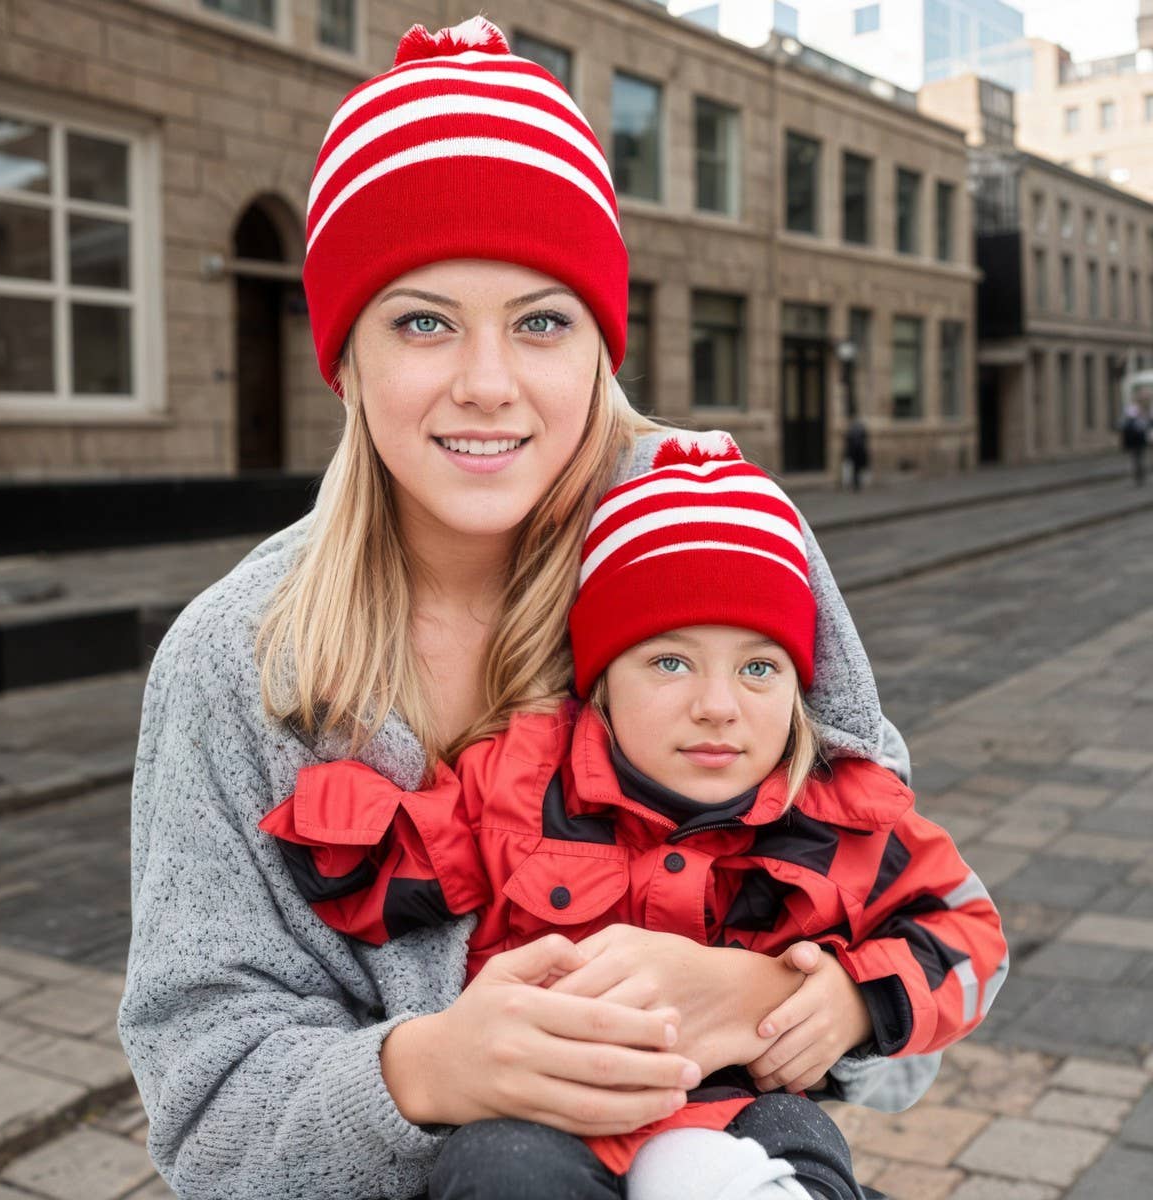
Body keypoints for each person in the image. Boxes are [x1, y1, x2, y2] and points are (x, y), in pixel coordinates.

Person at [118, 18, 960, 1199]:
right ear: (346, 353)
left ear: (602, 347)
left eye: (542, 320)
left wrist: (771, 999)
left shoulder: (720, 536)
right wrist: (423, 1073)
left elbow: (914, 934)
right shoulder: (237, 660)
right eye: (423, 320)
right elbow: (206, 1112)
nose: (487, 383)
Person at [260, 434, 1009, 1200]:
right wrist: (338, 820)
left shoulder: (840, 812)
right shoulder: (522, 777)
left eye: (759, 668)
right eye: (670, 663)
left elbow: (970, 938)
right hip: (552, 1106)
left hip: (740, 1110)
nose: (717, 706)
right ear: (602, 681)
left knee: (803, 1154)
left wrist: (858, 1000)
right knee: (490, 1169)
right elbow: (407, 858)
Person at [1120, 401, 1148, 486]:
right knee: (1137, 462)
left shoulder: (1132, 423)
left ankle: (1139, 477)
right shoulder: (1134, 423)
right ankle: (1139, 478)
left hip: (1137, 446)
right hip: (1137, 446)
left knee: (1137, 462)